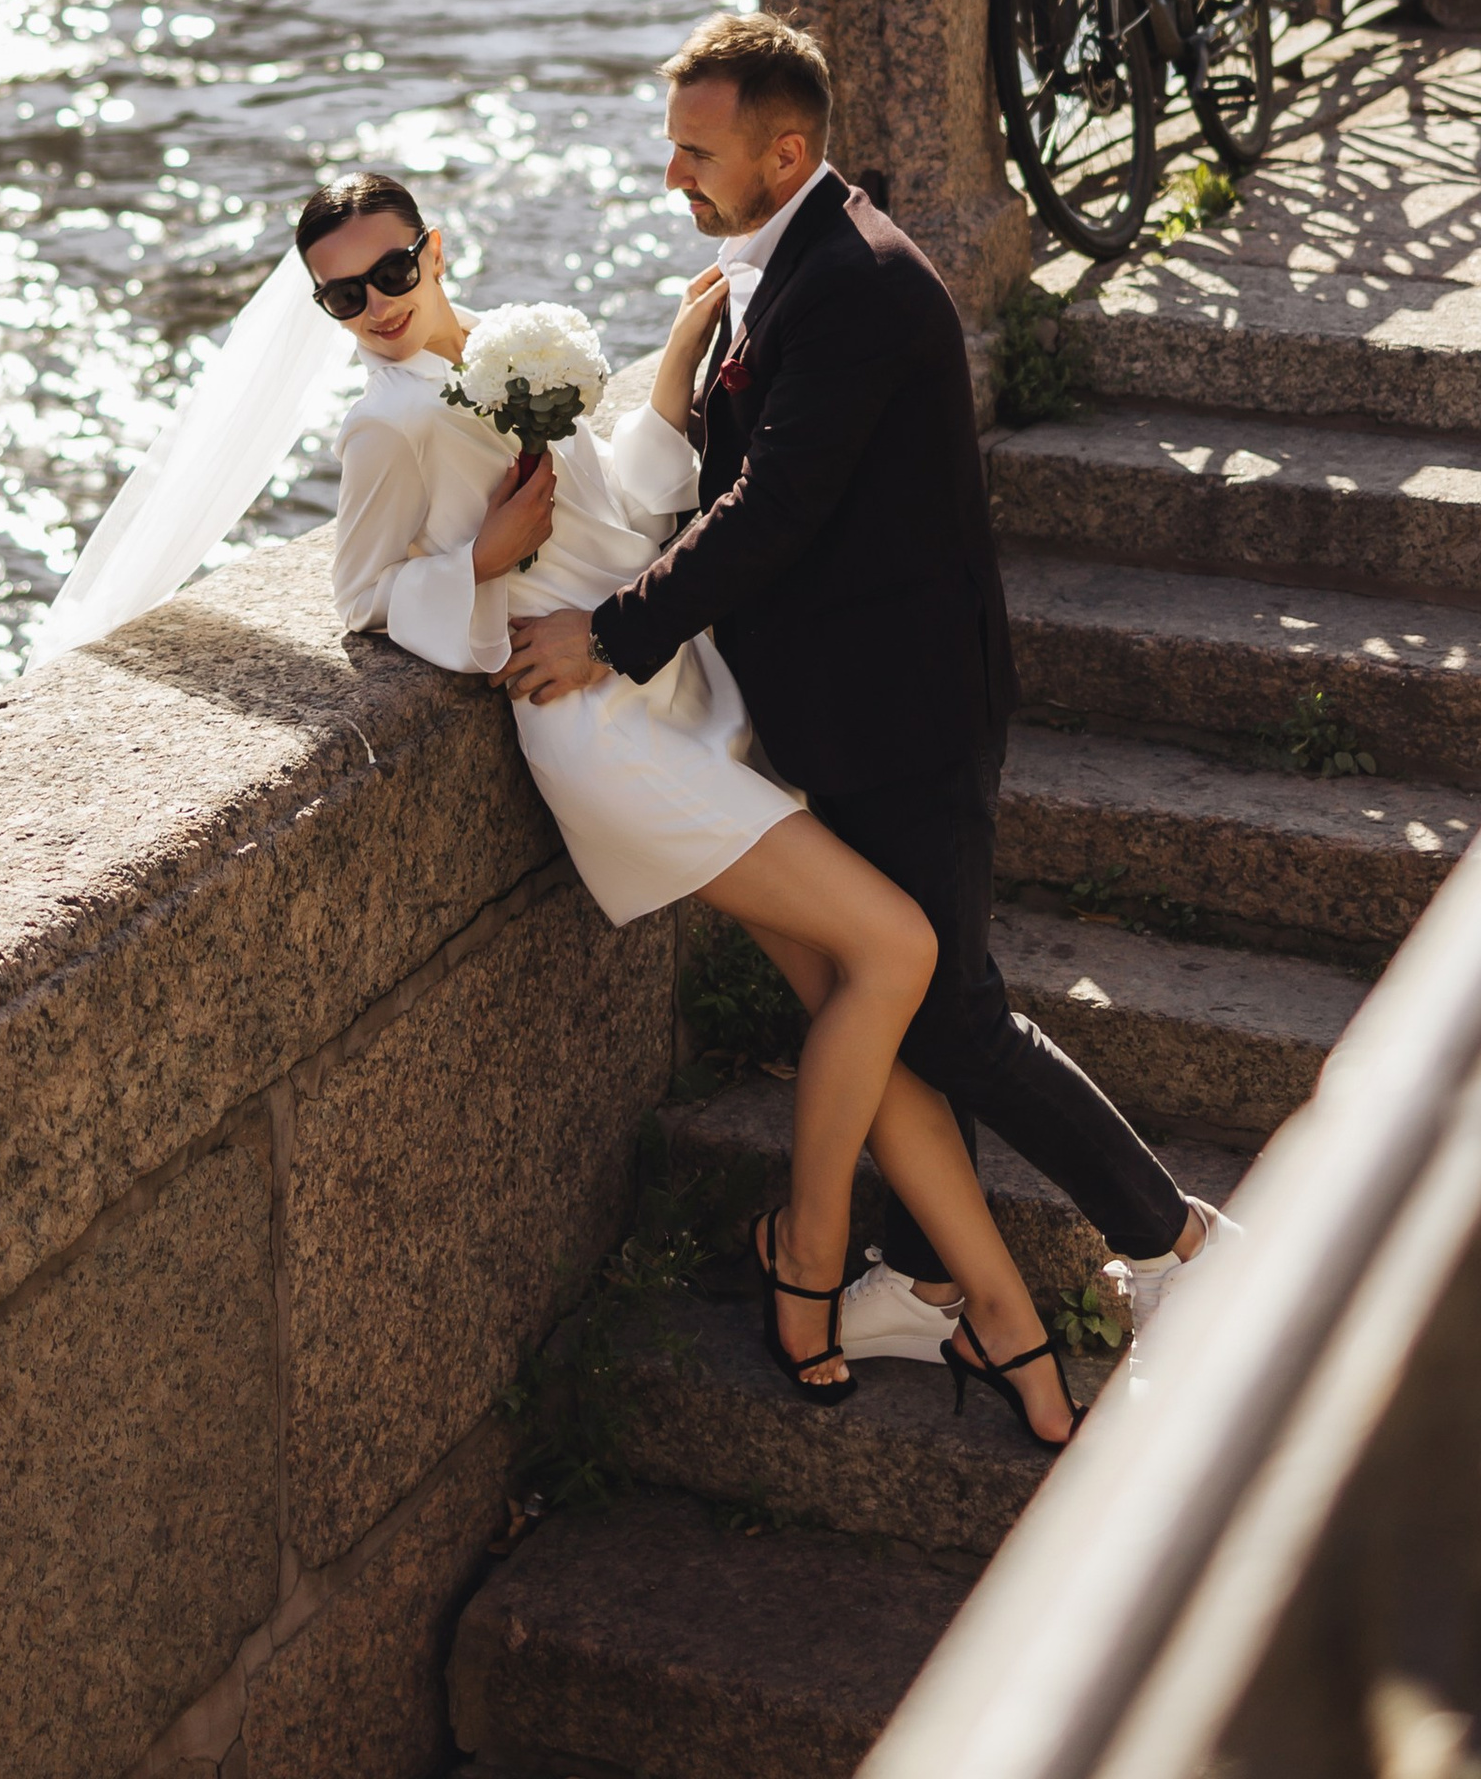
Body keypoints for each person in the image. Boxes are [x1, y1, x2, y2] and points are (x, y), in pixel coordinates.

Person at [501, 11, 1235, 1349]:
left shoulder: (857, 283)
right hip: (843, 701)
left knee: (950, 1008)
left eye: (696, 152)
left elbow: (773, 507)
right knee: (894, 988)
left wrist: (610, 634)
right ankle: (927, 1276)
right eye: (672, 149)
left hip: (905, 716)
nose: (674, 176)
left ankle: (1174, 1236)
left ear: (787, 153)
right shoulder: (778, 255)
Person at [306, 167, 1075, 1433]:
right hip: (598, 731)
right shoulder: (385, 424)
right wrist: (477, 563)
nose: (376, 304)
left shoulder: (511, 344)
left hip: (677, 687)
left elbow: (624, 506)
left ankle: (1002, 1320)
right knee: (897, 948)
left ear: (435, 249)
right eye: (342, 295)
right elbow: (356, 599)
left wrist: (669, 361)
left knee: (849, 992)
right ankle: (809, 1251)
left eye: (392, 270)